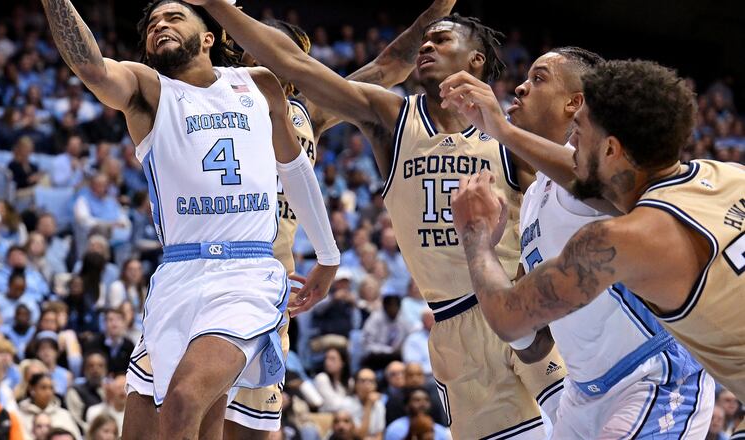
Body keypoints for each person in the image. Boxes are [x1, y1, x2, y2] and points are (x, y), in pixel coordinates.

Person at [196, 3, 567, 437]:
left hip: (523, 306)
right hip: (454, 326)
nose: (426, 46)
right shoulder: (392, 118)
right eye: (424, 40)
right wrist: (216, 6)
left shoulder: (510, 131)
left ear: (475, 60)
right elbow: (298, 64)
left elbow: (578, 190)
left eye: (441, 39)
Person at [39, 1, 340, 439]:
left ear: (208, 38)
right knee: (150, 429)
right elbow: (93, 68)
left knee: (184, 399)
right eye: (152, 24)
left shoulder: (259, 84)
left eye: (174, 17)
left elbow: (294, 169)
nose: (160, 25)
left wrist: (328, 256)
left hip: (246, 272)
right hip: (178, 275)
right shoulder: (148, 90)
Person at [446, 59, 745, 438]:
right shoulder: (728, 175)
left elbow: (508, 318)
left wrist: (475, 235)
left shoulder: (626, 239)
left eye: (579, 132)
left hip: (656, 379)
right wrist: (501, 130)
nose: (572, 144)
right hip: (584, 393)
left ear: (610, 149)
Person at [16, 373, 81, 440]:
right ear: (32, 389)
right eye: (43, 387)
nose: (48, 392)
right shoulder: (19, 415)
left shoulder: (64, 415)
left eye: (51, 388)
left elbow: (76, 437)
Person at [383, 387, 449, 440]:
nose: (422, 404)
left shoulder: (441, 431)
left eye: (426, 400)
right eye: (417, 400)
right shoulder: (395, 429)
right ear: (407, 405)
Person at [65, 352, 107, 430]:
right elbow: (75, 421)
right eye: (91, 366)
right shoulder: (75, 391)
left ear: (105, 370)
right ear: (84, 370)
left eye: (100, 366)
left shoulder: (110, 391)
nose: (96, 370)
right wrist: (93, 431)